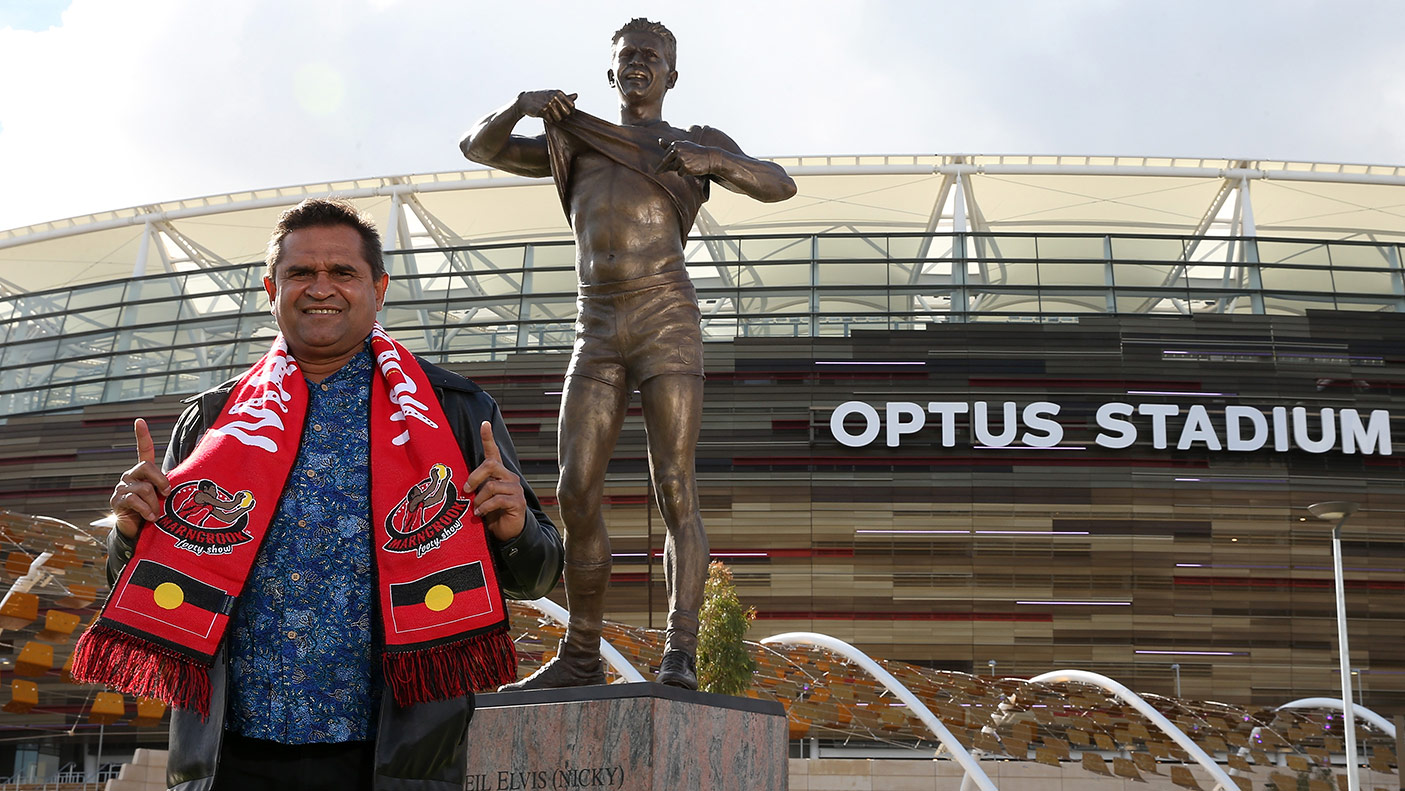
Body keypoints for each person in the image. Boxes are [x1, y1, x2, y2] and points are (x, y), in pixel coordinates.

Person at [103, 198, 563, 791]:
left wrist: (515, 529)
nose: (321, 288)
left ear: (379, 287)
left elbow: (540, 574)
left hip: (389, 755)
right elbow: (133, 581)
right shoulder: (212, 419)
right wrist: (128, 530)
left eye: (342, 272)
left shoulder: (454, 412)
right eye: (300, 273)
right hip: (230, 754)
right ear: (272, 288)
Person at [459, 18, 794, 691]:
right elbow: (478, 147)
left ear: (672, 73)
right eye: (626, 57)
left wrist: (714, 163)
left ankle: (680, 650)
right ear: (610, 73)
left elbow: (777, 183)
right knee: (575, 489)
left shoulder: (692, 142)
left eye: (652, 56)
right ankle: (582, 653)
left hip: (664, 317)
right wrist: (521, 104)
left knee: (674, 485)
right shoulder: (573, 136)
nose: (638, 64)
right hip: (596, 323)